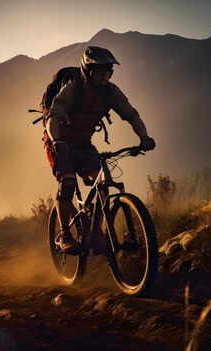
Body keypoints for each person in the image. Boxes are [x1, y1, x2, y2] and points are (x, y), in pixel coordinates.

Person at [44, 46, 156, 254]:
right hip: (58, 140)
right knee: (67, 181)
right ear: (87, 71)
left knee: (103, 183)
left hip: (83, 144)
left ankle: (96, 232)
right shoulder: (72, 89)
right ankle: (65, 235)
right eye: (99, 73)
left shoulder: (111, 92)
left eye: (108, 73)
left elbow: (132, 115)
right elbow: (53, 116)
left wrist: (144, 137)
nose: (104, 78)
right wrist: (56, 140)